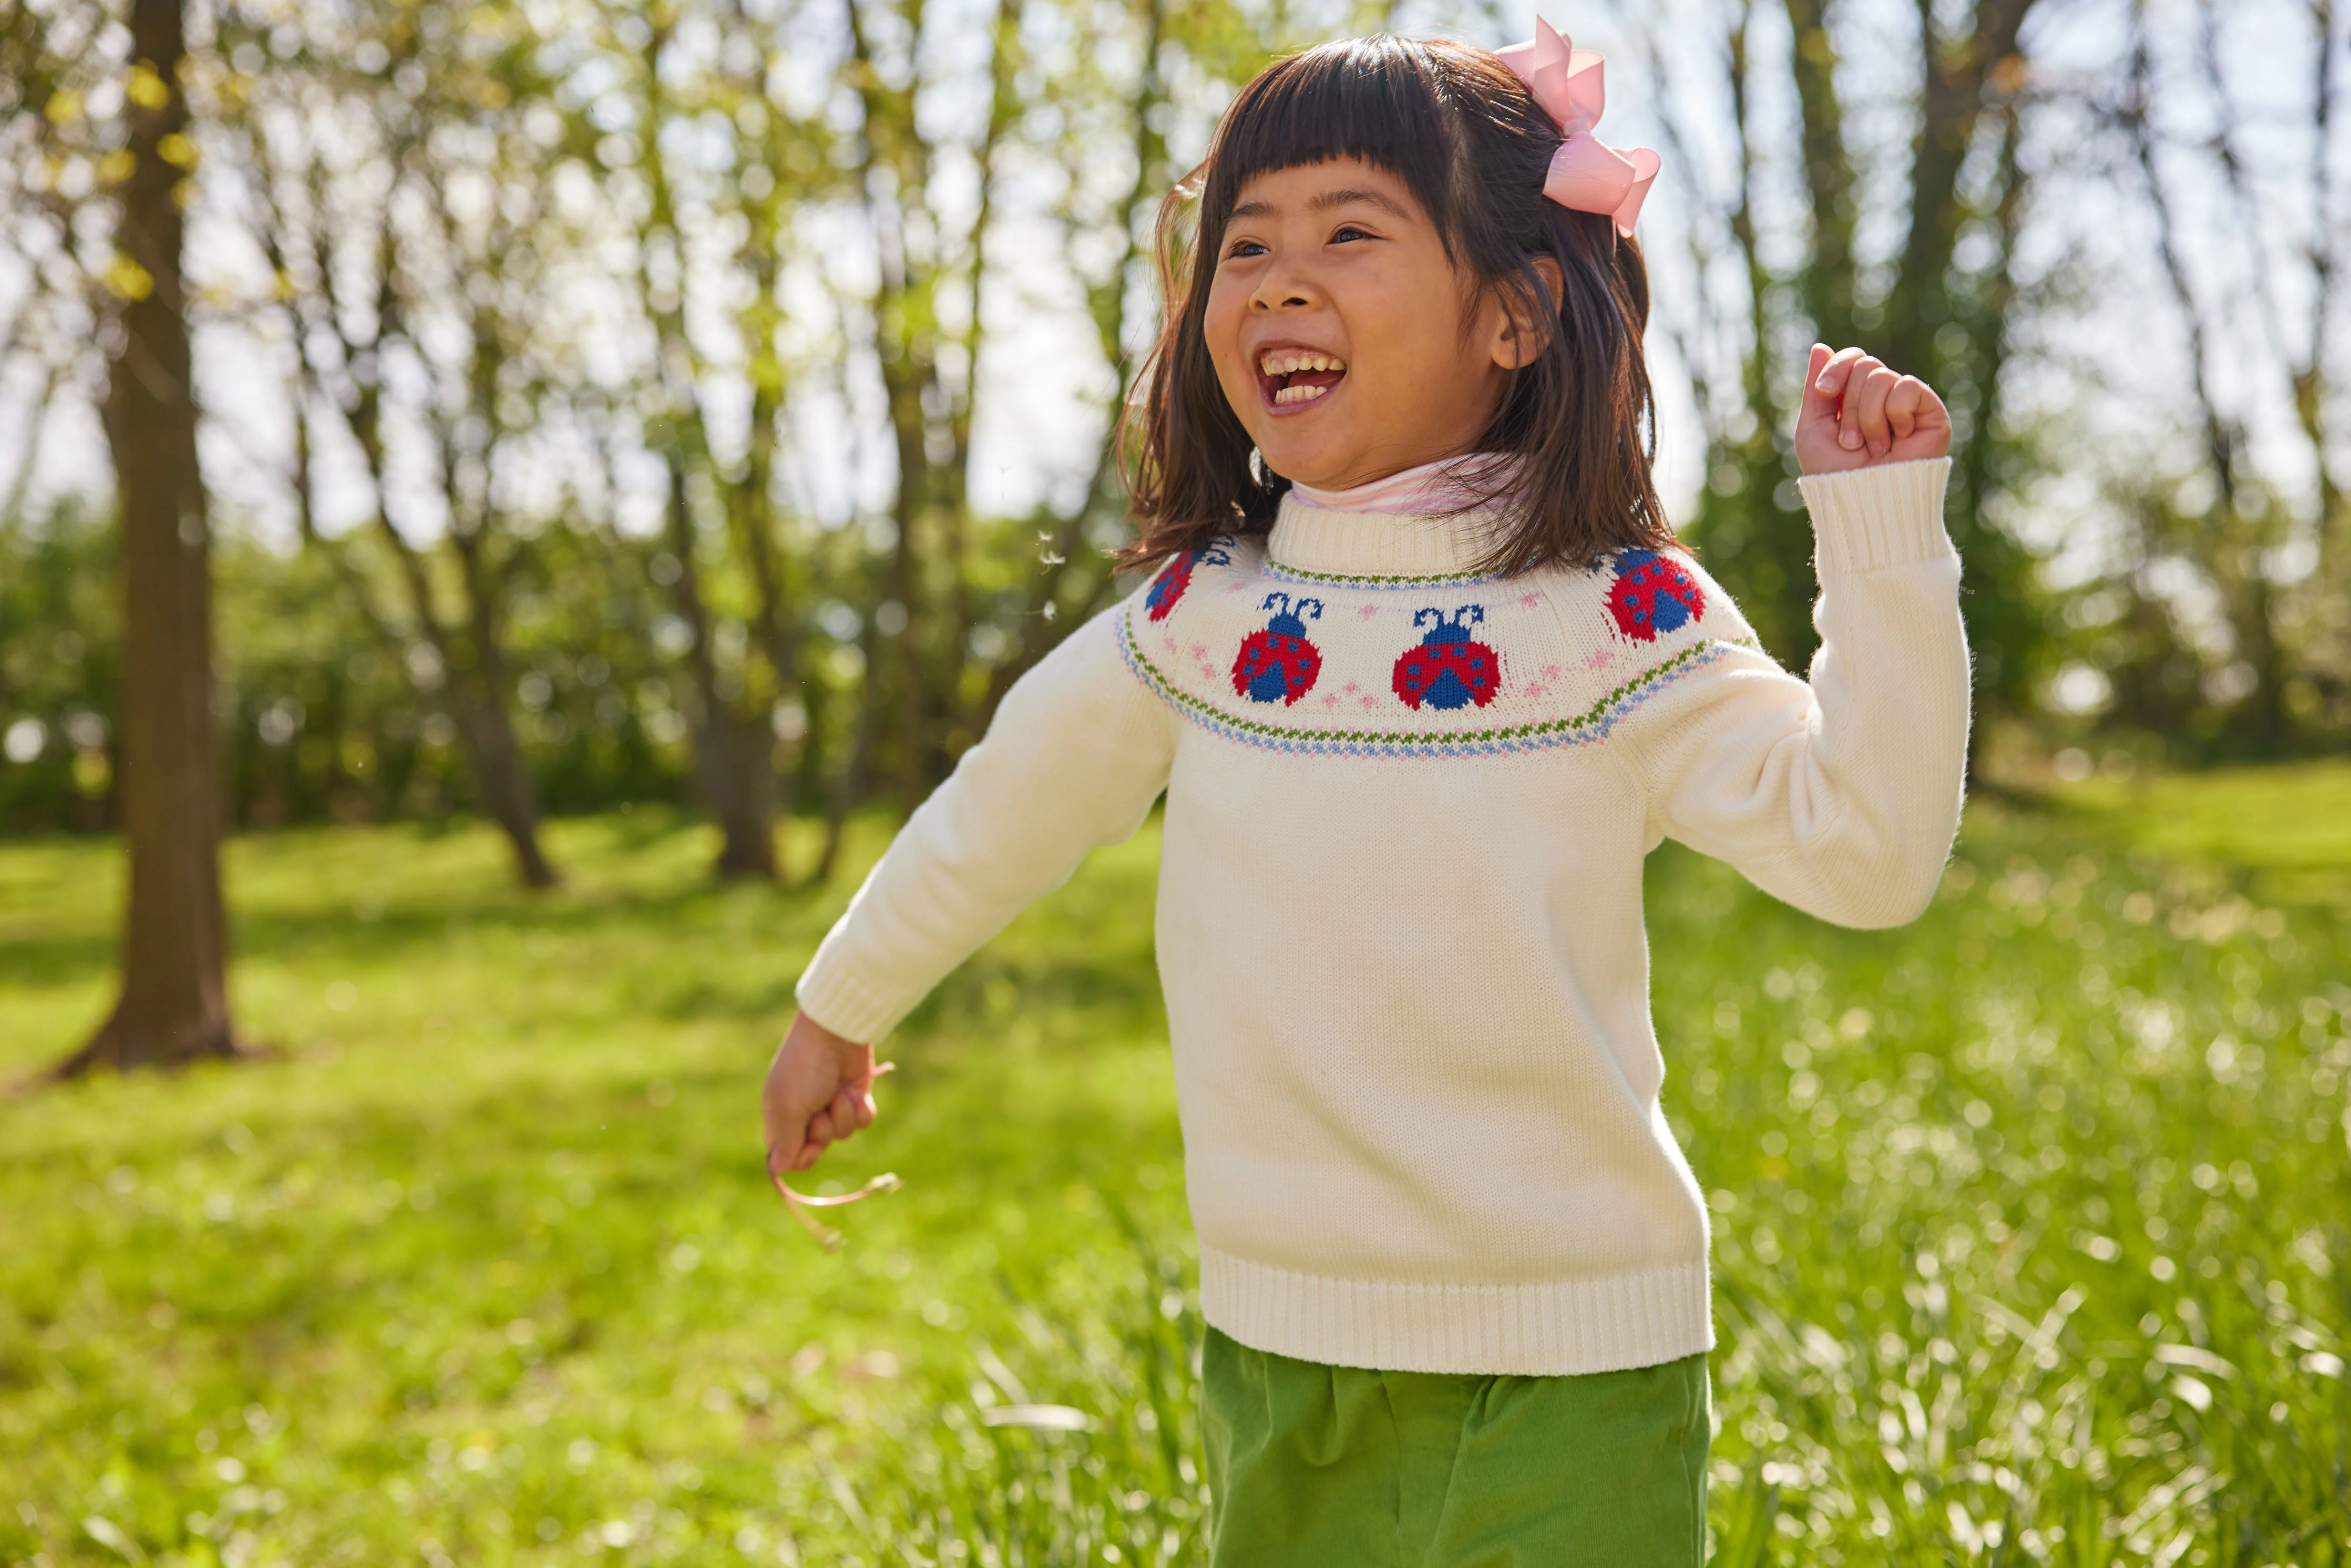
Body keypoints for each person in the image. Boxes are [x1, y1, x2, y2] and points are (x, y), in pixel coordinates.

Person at [763, 21, 1968, 1564]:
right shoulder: (1200, 625)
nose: (1273, 278)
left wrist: (1877, 537)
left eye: (1349, 232)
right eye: (1243, 243)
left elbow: (1866, 855)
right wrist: (840, 1000)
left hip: (1578, 1360)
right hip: (1284, 1346)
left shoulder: (1618, 617)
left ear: (1520, 314)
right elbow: (1004, 808)